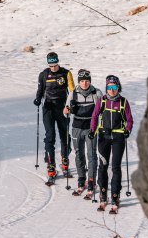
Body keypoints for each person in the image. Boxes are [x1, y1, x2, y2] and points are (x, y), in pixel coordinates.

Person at [89, 75, 133, 213]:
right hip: (104, 137)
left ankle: (115, 196)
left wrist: (127, 130)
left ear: (118, 87)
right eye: (109, 87)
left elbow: (130, 120)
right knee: (102, 166)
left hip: (118, 138)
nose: (112, 90)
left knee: (115, 167)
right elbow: (95, 116)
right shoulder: (102, 101)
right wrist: (92, 130)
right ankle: (103, 195)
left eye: (114, 87)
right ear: (106, 88)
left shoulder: (123, 102)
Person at [34, 52, 74, 181]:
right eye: (50, 65)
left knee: (64, 135)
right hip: (48, 108)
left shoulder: (66, 73)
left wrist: (70, 105)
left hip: (62, 107)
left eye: (54, 64)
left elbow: (72, 91)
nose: (52, 67)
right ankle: (51, 165)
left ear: (57, 62)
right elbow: (40, 91)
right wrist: (37, 99)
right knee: (50, 135)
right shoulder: (43, 74)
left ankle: (65, 160)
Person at [63, 69, 102, 198]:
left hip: (91, 127)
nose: (84, 83)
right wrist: (67, 110)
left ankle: (91, 182)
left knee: (91, 155)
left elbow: (101, 112)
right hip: (77, 128)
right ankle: (81, 180)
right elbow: (66, 110)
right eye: (82, 81)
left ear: (90, 81)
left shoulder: (96, 93)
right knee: (79, 154)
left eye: (86, 81)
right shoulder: (73, 93)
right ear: (78, 82)